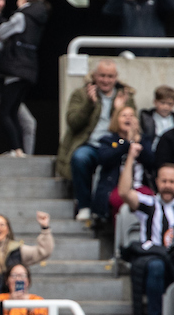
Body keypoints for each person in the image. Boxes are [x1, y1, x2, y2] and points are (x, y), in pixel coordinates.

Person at [56, 60, 136, 222]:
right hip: (90, 145)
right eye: (102, 76)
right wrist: (89, 104)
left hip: (114, 144)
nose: (106, 80)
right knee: (80, 157)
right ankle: (84, 205)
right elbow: (73, 122)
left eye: (110, 76)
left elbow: (132, 123)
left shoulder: (125, 96)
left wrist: (118, 108)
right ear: (94, 76)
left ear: (116, 78)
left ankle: (103, 211)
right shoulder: (81, 94)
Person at [119, 154, 174, 315]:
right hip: (153, 258)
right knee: (157, 266)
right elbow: (124, 192)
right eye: (164, 181)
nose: (167, 186)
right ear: (156, 182)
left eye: (172, 181)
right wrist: (131, 157)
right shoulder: (149, 203)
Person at [0, 0, 46, 157]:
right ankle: (20, 150)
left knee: (5, 112)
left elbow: (2, 33)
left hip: (15, 70)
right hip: (29, 70)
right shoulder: (39, 18)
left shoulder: (22, 16)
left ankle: (17, 150)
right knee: (13, 111)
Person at [0, 211, 54, 296]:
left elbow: (43, 251)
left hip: (11, 300)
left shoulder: (17, 249)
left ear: (8, 229)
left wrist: (45, 228)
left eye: (2, 225)